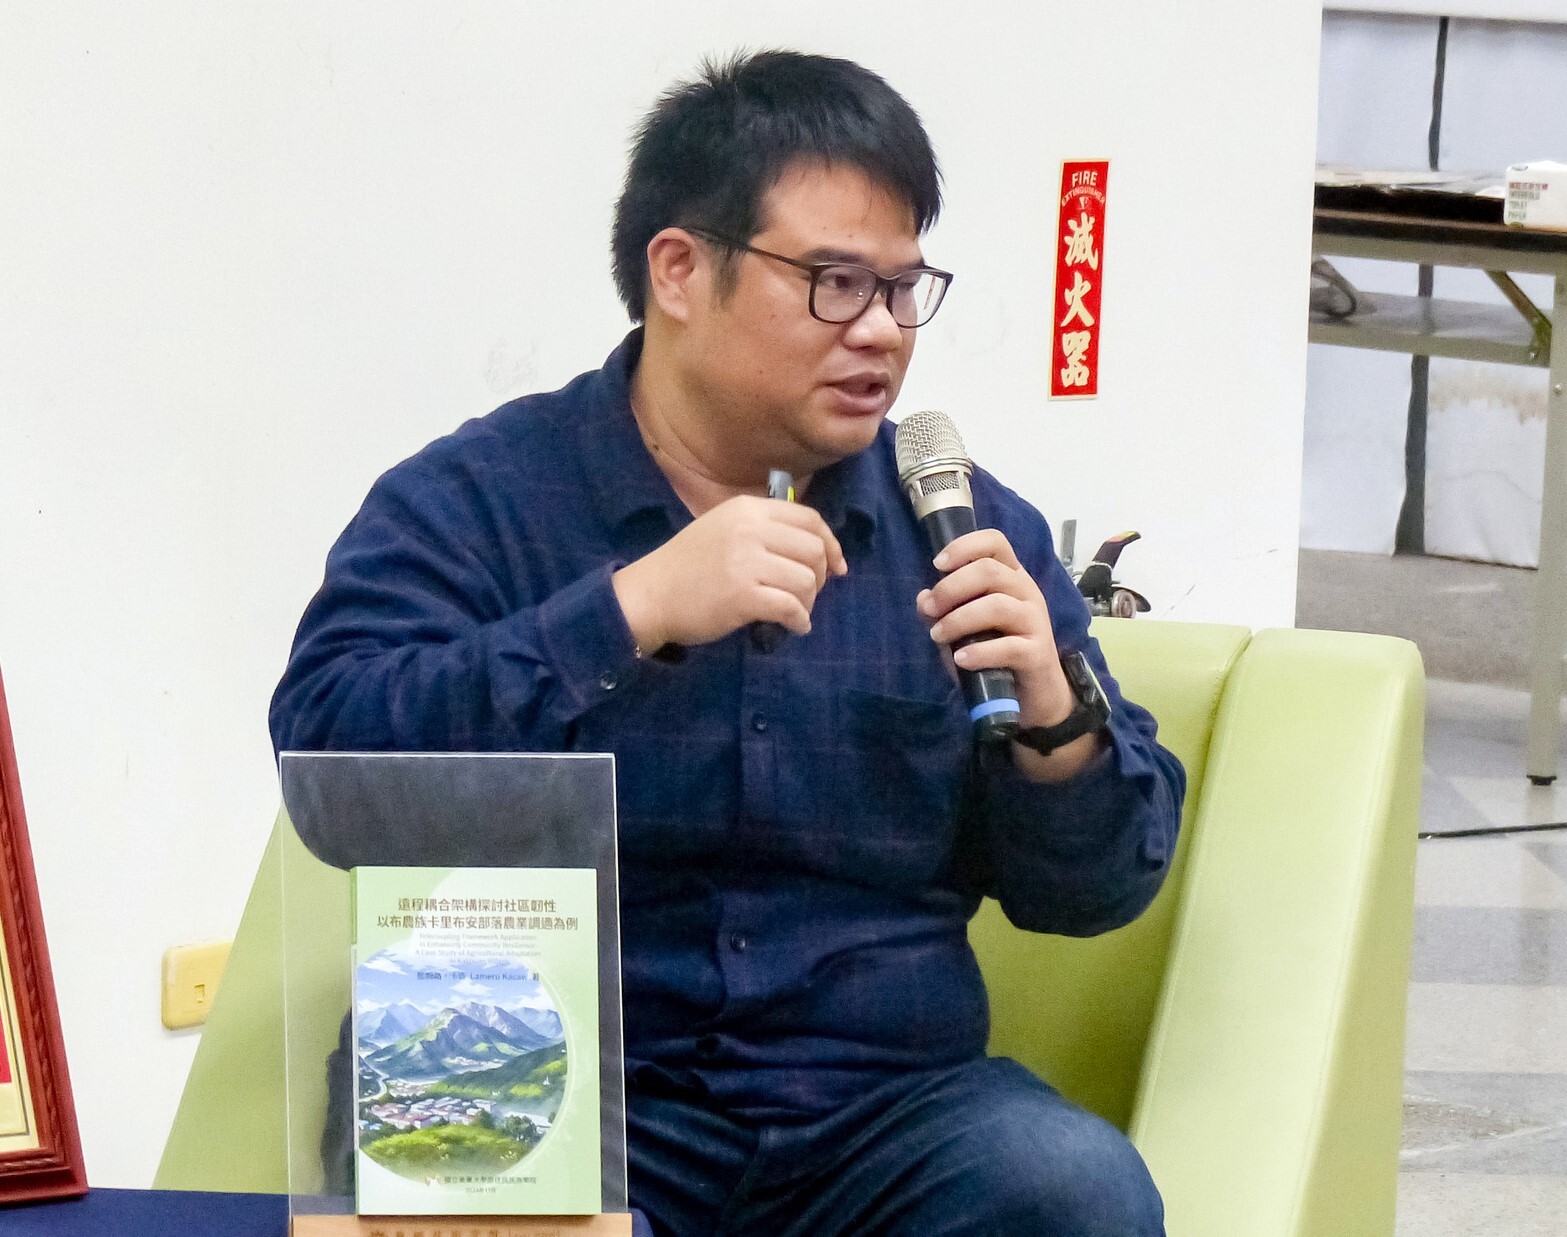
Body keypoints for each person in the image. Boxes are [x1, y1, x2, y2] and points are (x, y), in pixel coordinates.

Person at [271, 49, 1185, 1236]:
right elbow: (332, 777)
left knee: (1074, 1189)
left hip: (874, 1113)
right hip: (523, 1063)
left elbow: (1096, 894)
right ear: (679, 270)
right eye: (835, 283)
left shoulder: (961, 531)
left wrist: (1057, 723)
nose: (881, 332)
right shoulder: (480, 499)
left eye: (903, 289)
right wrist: (625, 613)